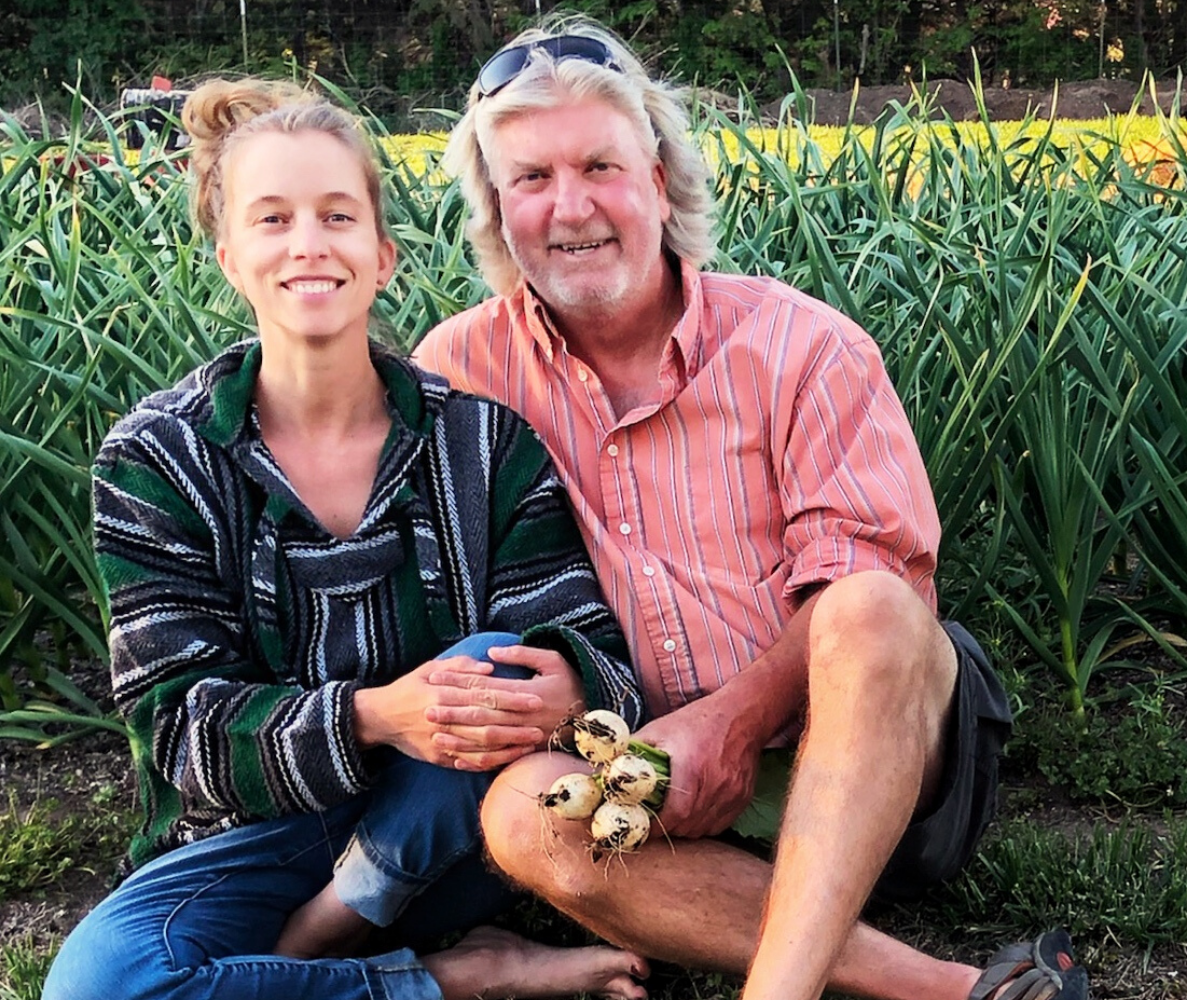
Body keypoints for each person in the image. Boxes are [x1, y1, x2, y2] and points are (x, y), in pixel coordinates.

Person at [412, 18, 1088, 1000]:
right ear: (494, 206)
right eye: (530, 178)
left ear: (659, 177)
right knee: (521, 814)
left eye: (600, 164)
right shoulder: (458, 372)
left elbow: (883, 578)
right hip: (643, 772)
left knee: (865, 605)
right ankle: (951, 988)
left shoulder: (802, 345)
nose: (570, 208)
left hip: (876, 763)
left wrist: (729, 725)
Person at [45, 77, 652, 1000]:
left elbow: (598, 663)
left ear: (383, 254)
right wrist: (376, 715)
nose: (308, 245)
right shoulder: (159, 456)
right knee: (99, 986)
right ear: (228, 256)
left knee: (493, 659)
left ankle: (321, 943)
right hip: (253, 843)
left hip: (457, 833)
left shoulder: (482, 444)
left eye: (336, 216)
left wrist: (564, 678)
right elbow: (172, 722)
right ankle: (457, 977)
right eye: (273, 219)